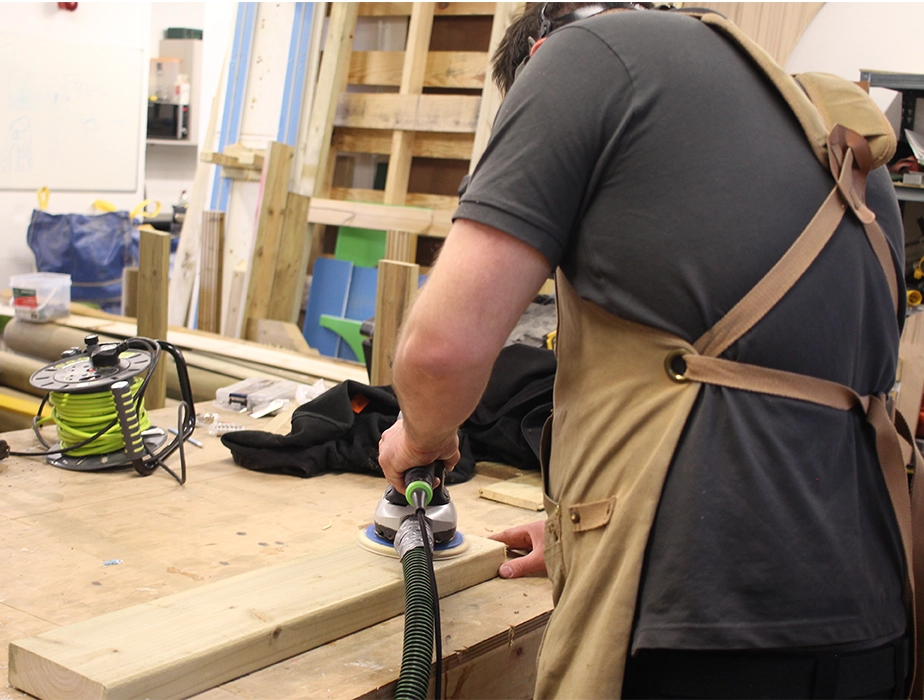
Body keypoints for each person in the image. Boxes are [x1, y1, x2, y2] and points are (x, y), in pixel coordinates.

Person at [376, 3, 913, 698]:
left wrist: (420, 437)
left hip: (702, 625)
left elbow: (441, 352)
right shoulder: (831, 135)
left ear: (539, 61)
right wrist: (588, 535)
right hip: (875, 621)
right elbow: (776, 410)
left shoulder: (581, 58)